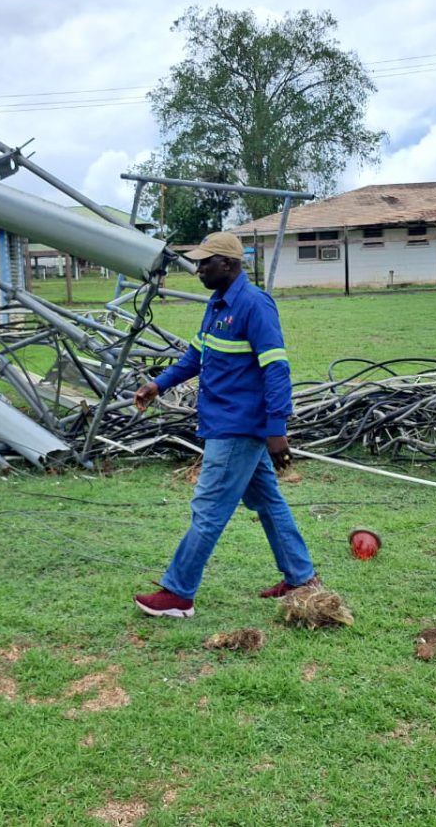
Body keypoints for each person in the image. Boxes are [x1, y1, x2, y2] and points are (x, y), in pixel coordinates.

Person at [132, 231, 319, 618]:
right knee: (268, 501)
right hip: (222, 421)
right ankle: (302, 579)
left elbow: (277, 369)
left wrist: (276, 430)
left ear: (230, 264)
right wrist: (157, 385)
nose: (198, 269)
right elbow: (195, 356)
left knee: (209, 508)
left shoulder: (255, 305)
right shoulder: (217, 304)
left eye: (206, 262)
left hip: (238, 428)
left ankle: (178, 593)